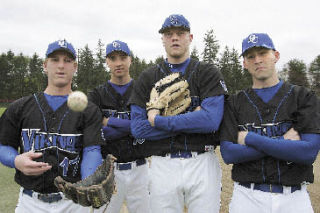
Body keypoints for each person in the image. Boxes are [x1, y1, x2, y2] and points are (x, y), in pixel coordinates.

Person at [128, 14, 228, 213]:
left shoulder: (207, 72)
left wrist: (158, 120)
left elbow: (210, 121)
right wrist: (193, 120)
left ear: (190, 38)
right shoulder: (148, 77)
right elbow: (138, 129)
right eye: (169, 34)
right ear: (163, 39)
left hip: (202, 161)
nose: (174, 37)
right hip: (162, 163)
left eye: (180, 33)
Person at [220, 33, 320, 213]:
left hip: (294, 199)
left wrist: (251, 138)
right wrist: (283, 142)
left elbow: (308, 152)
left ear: (276, 56)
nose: (257, 60)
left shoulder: (304, 97)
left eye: (263, 53)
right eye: (250, 56)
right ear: (245, 63)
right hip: (247, 197)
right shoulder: (234, 103)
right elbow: (229, 154)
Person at [0, 39, 104, 213]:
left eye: (67, 60)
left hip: (73, 203)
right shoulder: (20, 107)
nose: (61, 66)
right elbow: (3, 145)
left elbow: (92, 150)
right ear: (45, 65)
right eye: (55, 60)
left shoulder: (89, 110)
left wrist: (88, 182)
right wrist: (16, 160)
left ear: (75, 67)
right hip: (29, 202)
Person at [88, 40, 150, 213]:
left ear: (130, 60)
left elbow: (147, 127)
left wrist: (108, 121)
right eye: (113, 58)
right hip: (108, 171)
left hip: (140, 169)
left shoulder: (143, 90)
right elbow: (95, 132)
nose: (118, 63)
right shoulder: (96, 94)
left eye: (123, 57)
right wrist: (133, 128)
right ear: (107, 61)